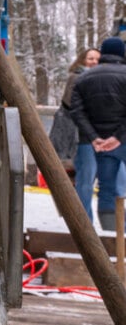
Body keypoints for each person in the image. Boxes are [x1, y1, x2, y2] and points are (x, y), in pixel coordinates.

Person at [69, 37, 126, 230]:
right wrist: (117, 137)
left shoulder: (84, 78)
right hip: (121, 141)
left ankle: (112, 237)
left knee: (106, 189)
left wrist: (94, 137)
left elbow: (76, 111)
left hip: (99, 145)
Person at [56, 47, 101, 220]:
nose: (94, 62)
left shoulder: (98, 79)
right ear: (83, 60)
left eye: (97, 59)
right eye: (90, 58)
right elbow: (69, 105)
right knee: (85, 179)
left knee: (88, 179)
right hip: (81, 136)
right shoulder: (76, 77)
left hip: (95, 136)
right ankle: (84, 221)